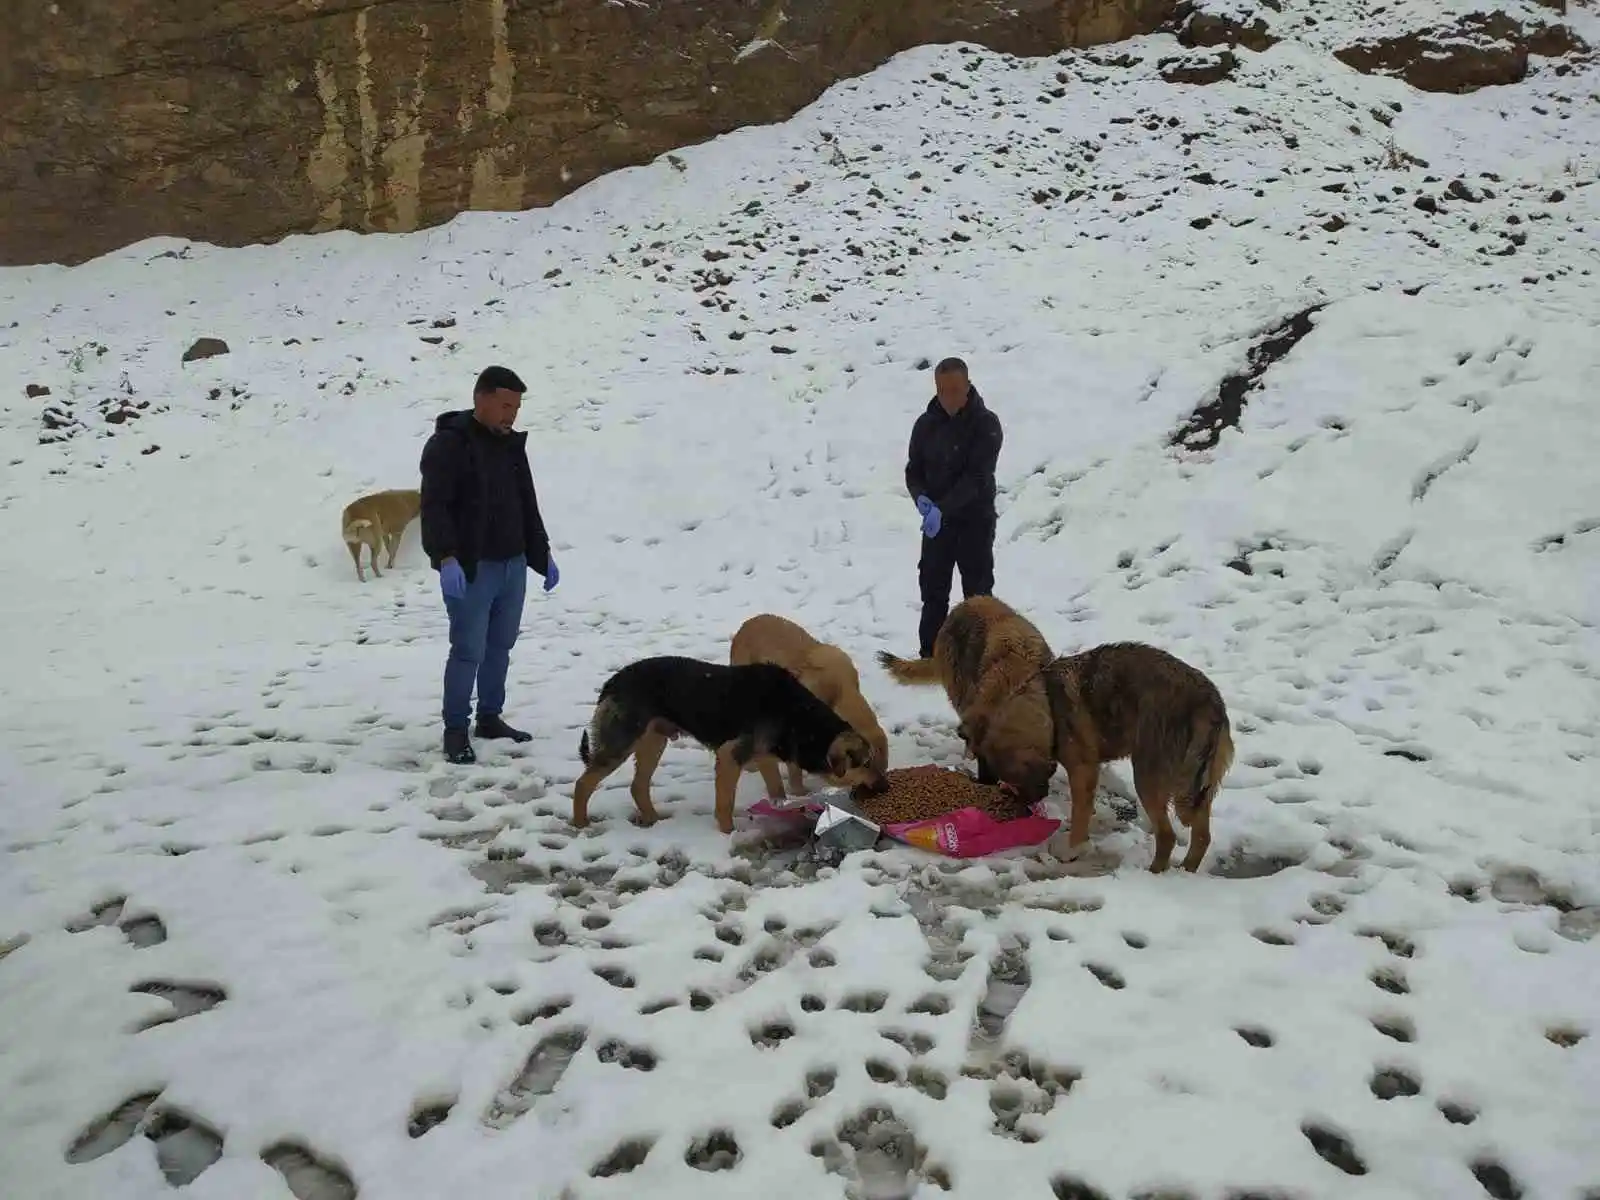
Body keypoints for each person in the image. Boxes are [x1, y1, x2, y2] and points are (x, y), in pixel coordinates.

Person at [420, 365, 560, 764]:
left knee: (501, 645)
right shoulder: (450, 444)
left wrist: (541, 552)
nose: (511, 414)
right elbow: (434, 506)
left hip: (513, 564)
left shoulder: (511, 445)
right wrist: (446, 557)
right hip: (471, 567)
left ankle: (490, 716)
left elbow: (526, 504)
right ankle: (455, 729)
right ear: (480, 398)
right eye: (504, 405)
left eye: (516, 407)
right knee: (468, 649)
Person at [903, 356, 1003, 659]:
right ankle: (930, 658)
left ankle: (980, 659)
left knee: (978, 596)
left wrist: (941, 509)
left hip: (975, 522)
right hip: (937, 527)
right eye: (943, 390)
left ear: (968, 386)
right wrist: (920, 497)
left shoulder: (986, 424)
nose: (949, 397)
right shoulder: (925, 425)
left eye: (955, 389)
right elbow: (913, 470)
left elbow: (976, 478)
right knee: (933, 593)